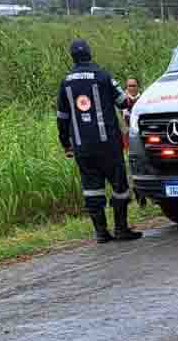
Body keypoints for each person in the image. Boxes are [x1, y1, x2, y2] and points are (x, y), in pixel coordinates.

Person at [56, 39, 143, 243]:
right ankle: (121, 229)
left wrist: (66, 144)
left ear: (73, 57)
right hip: (109, 145)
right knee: (120, 186)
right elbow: (124, 101)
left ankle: (101, 233)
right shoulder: (103, 76)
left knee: (91, 189)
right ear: (89, 54)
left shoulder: (66, 82)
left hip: (82, 147)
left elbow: (62, 117)